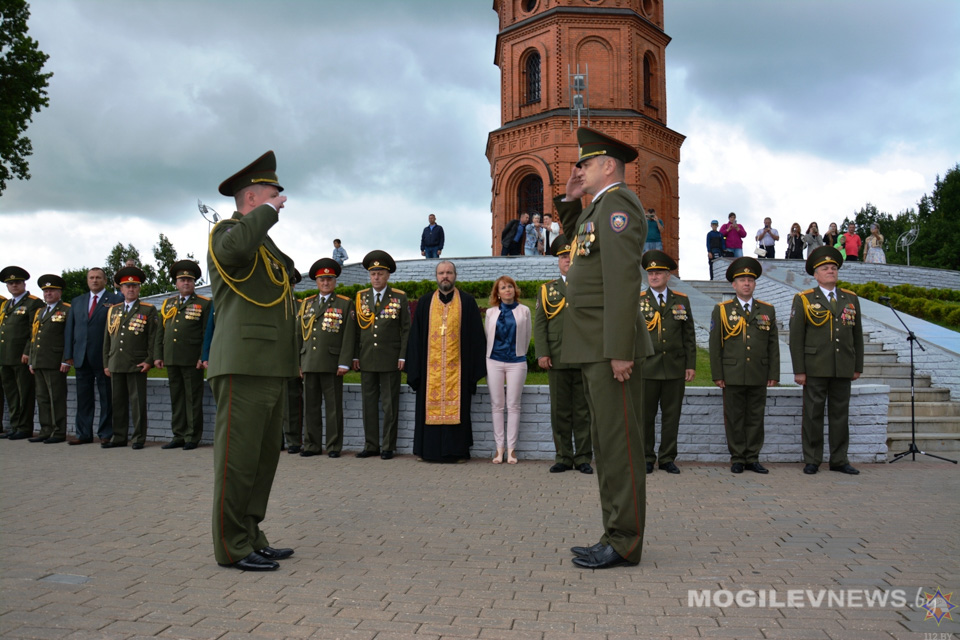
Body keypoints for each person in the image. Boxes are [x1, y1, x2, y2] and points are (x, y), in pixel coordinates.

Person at [553, 126, 654, 570]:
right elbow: (580, 246)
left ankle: (625, 541)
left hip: (609, 347)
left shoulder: (620, 205)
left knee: (620, 446)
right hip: (594, 344)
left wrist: (620, 349)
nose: (581, 169)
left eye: (587, 164)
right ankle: (613, 533)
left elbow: (621, 279)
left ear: (608, 165)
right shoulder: (598, 207)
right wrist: (571, 200)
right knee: (605, 444)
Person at [207, 150, 298, 572]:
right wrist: (264, 214)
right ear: (251, 198)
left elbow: (289, 273)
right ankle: (230, 545)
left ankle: (250, 532)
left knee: (262, 462)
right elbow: (234, 251)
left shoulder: (258, 238)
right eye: (273, 193)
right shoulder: (228, 232)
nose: (281, 199)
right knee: (237, 461)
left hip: (271, 364)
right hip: (241, 363)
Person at [789, 246, 863, 475]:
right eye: (825, 268)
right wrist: (799, 370)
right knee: (813, 415)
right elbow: (796, 337)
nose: (830, 271)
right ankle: (812, 459)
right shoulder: (804, 299)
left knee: (841, 415)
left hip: (843, 366)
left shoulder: (850, 298)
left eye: (833, 268)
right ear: (815, 274)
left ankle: (839, 460)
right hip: (815, 367)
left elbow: (857, 335)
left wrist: (857, 366)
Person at [406, 261, 486, 462]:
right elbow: (415, 337)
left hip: (458, 371)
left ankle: (457, 452)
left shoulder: (467, 302)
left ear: (455, 275)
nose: (445, 276)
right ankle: (427, 451)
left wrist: (473, 372)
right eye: (441, 273)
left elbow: (477, 337)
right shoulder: (425, 303)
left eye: (449, 272)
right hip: (429, 374)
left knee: (458, 408)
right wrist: (415, 370)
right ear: (436, 276)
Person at [709, 257, 779, 474]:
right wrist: (718, 374)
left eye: (750, 280)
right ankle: (737, 457)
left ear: (755, 284)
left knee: (756, 417)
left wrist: (773, 373)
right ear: (734, 285)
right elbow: (715, 345)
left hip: (759, 371)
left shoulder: (767, 310)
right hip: (732, 372)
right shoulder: (721, 310)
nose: (746, 283)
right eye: (742, 280)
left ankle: (753, 457)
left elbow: (772, 344)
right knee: (735, 417)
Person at [534, 236, 592, 474]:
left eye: (571, 255)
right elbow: (540, 324)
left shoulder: (589, 286)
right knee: (560, 411)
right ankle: (563, 456)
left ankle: (583, 458)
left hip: (584, 357)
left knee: (583, 411)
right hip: (557, 358)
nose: (567, 260)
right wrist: (542, 353)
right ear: (558, 261)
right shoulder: (548, 289)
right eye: (563, 256)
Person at [639, 250, 696, 475]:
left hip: (674, 367)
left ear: (668, 276)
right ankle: (646, 457)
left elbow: (689, 335)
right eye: (651, 273)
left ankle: (667, 458)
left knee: (672, 416)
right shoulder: (639, 301)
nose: (654, 277)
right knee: (646, 417)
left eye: (659, 273)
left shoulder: (681, 301)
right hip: (647, 368)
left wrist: (690, 365)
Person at [353, 250, 410, 460]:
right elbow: (356, 330)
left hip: (390, 359)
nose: (376, 277)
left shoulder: (399, 297)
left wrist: (403, 356)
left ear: (388, 275)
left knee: (389, 405)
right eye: (373, 273)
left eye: (380, 273)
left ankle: (387, 446)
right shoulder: (361, 297)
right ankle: (371, 445)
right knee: (368, 405)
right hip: (367, 358)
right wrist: (354, 356)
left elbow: (406, 329)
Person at [298, 258, 356, 458]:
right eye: (322, 279)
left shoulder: (344, 303)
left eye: (329, 279)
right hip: (309, 362)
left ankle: (333, 446)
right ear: (316, 281)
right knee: (310, 407)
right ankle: (312, 445)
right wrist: (298, 363)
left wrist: (344, 362)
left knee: (333, 408)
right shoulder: (306, 304)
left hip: (332, 363)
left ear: (335, 281)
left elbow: (349, 335)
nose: (325, 283)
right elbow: (299, 335)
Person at [154, 260, 211, 450]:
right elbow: (161, 332)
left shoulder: (203, 304)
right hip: (171, 357)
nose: (185, 283)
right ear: (176, 283)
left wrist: (203, 357)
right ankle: (178, 435)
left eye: (189, 280)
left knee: (192, 398)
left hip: (191, 359)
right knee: (176, 397)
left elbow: (206, 333)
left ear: (194, 283)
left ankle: (192, 436)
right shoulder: (168, 304)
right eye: (182, 280)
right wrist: (158, 355)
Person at [63, 268, 123, 445]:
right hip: (81, 356)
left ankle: (105, 433)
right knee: (84, 398)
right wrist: (68, 355)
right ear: (87, 280)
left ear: (105, 280)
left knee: (106, 397)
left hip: (103, 357)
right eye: (91, 278)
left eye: (98, 278)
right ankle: (83, 434)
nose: (94, 280)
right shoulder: (77, 301)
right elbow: (70, 330)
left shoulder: (116, 300)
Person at [102, 266, 159, 450]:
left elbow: (153, 337)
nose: (131, 289)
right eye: (127, 286)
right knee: (117, 403)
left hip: (137, 363)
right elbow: (107, 339)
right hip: (116, 362)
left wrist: (149, 360)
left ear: (139, 288)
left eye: (134, 286)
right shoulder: (114, 310)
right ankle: (119, 437)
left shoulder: (148, 309)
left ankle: (138, 438)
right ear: (121, 289)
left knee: (137, 404)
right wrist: (106, 363)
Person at [484, 275, 531, 464]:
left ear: (515, 289)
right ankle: (499, 449)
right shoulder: (490, 313)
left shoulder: (524, 311)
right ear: (498, 293)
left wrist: (519, 353)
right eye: (503, 287)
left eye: (510, 286)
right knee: (497, 404)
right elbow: (488, 336)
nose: (507, 290)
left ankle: (511, 450)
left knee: (513, 404)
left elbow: (527, 336)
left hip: (517, 361)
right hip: (494, 360)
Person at [0, 266, 44, 440]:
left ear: (24, 283)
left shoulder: (33, 303)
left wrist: (28, 351)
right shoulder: (5, 304)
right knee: (11, 393)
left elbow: (34, 331)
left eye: (17, 282)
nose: (14, 285)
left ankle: (24, 427)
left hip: (21, 357)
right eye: (10, 283)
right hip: (5, 356)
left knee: (24, 393)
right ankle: (15, 426)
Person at [26, 275, 71, 444]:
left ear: (59, 292)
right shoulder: (40, 311)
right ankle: (46, 430)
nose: (48, 293)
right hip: (39, 360)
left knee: (56, 398)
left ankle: (59, 432)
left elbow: (68, 337)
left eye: (52, 290)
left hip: (55, 361)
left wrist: (66, 359)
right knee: (42, 397)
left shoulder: (67, 309)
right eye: (45, 291)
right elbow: (34, 337)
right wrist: (31, 359)